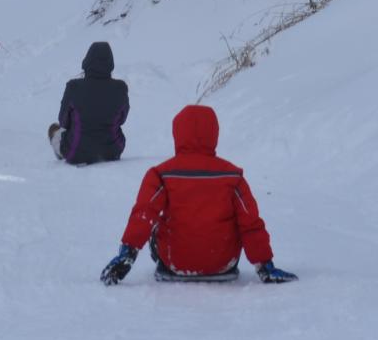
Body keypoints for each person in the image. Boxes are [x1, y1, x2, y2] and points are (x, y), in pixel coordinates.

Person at [99, 103, 297, 285]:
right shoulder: (232, 175)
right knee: (238, 220)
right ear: (214, 133)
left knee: (155, 223)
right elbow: (250, 223)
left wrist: (128, 253)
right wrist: (265, 264)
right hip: (223, 263)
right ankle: (231, 261)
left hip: (174, 261)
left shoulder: (160, 174)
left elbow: (143, 215)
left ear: (177, 134)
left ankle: (166, 258)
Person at [48, 41, 128, 165]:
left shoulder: (73, 87)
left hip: (76, 153)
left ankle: (61, 149)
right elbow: (122, 119)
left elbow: (63, 121)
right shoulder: (120, 88)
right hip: (113, 151)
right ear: (110, 63)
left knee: (54, 129)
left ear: (87, 60)